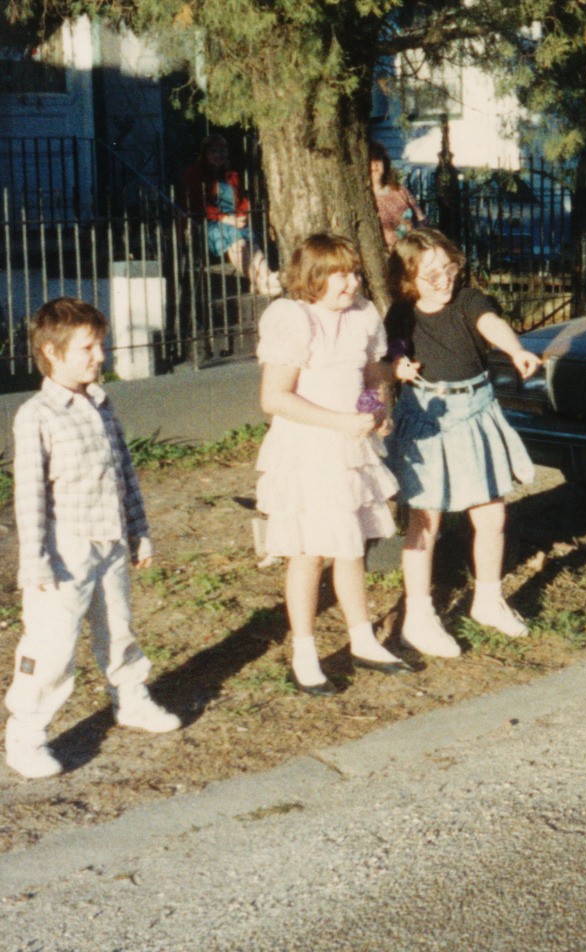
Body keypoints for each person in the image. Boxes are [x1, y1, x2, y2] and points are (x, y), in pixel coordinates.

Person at [4, 298, 181, 779]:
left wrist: (139, 531)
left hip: (111, 544)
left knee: (119, 629)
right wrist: (35, 562)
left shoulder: (102, 404)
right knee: (52, 644)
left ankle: (131, 699)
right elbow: (30, 497)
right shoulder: (36, 415)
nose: (100, 356)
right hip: (65, 552)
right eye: (88, 347)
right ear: (52, 352)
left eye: (100, 345)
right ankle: (26, 734)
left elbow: (125, 473)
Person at [255, 233, 415, 695]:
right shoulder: (293, 320)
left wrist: (376, 409)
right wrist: (339, 421)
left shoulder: (363, 315)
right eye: (339, 275)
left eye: (355, 272)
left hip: (350, 449)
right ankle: (304, 652)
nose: (351, 283)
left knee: (350, 546)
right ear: (312, 279)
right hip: (308, 451)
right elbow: (275, 397)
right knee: (310, 553)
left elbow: (369, 375)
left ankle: (362, 639)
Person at [383, 228, 540, 656]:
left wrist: (516, 350)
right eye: (430, 273)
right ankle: (418, 616)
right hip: (427, 416)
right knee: (424, 521)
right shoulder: (401, 314)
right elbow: (393, 351)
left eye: (448, 268)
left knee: (491, 512)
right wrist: (396, 365)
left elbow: (492, 325)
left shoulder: (470, 301)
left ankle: (488, 600)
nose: (443, 279)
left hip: (476, 410)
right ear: (408, 277)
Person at [182, 135, 282, 296]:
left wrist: (242, 216)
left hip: (234, 221)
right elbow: (197, 204)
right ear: (205, 153)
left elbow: (242, 200)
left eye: (221, 151)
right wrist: (226, 218)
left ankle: (263, 278)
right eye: (213, 151)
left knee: (247, 241)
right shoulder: (194, 173)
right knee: (238, 240)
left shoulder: (231, 175)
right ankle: (263, 279)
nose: (218, 155)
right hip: (210, 223)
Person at [368, 141, 427, 251]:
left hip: (411, 251)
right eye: (370, 161)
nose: (374, 165)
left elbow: (421, 220)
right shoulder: (365, 199)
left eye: (378, 160)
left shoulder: (400, 190)